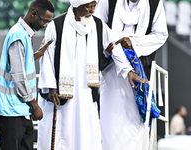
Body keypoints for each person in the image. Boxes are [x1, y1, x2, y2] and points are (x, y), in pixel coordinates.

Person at [37, 0, 148, 149]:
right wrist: (51, 86)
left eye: (94, 7)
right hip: (62, 91)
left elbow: (114, 46)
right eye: (89, 7)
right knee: (63, 132)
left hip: (86, 91)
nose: (92, 11)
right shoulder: (56, 25)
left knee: (87, 132)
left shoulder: (98, 25)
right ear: (77, 5)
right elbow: (47, 57)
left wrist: (128, 71)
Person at [94, 0, 168, 149]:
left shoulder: (154, 3)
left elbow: (160, 34)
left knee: (135, 123)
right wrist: (113, 48)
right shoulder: (107, 2)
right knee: (110, 120)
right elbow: (98, 27)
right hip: (111, 69)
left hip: (140, 70)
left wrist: (134, 43)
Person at [0, 0, 54, 149]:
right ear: (33, 13)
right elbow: (18, 75)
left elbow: (21, 62)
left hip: (20, 109)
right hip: (11, 111)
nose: (45, 25)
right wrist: (34, 105)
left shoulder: (24, 34)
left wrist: (37, 54)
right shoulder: (18, 35)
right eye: (44, 21)